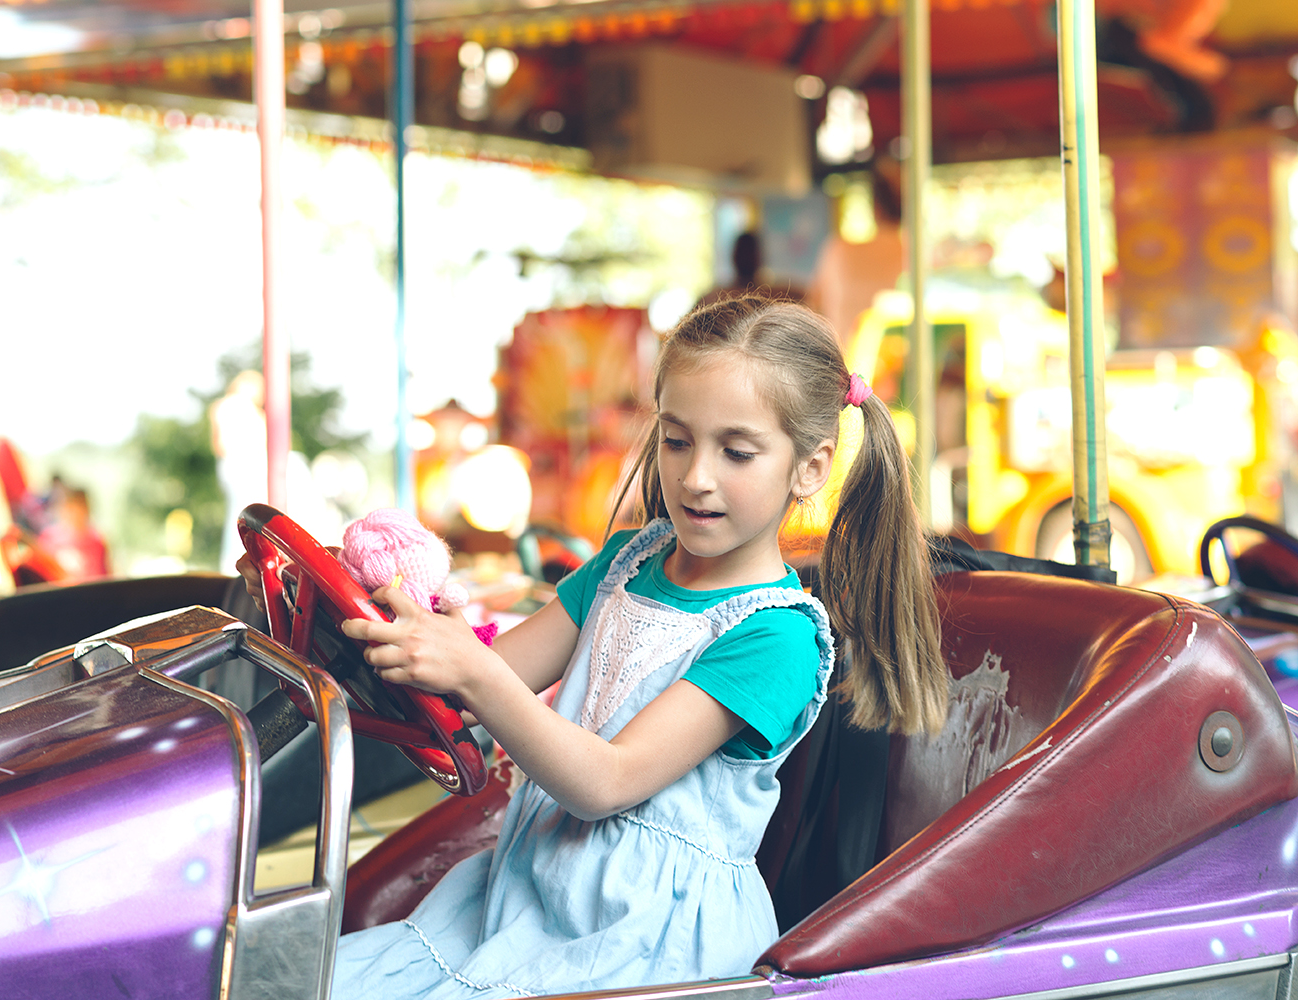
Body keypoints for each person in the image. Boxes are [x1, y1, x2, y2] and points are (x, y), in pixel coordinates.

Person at [247, 298, 948, 997]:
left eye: (735, 451)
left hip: (646, 941)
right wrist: (364, 617)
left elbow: (605, 782)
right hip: (526, 900)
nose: (696, 476)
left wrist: (474, 672)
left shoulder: (775, 636)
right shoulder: (624, 564)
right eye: (677, 440)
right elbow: (480, 683)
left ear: (810, 467)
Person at [210, 370, 269, 572]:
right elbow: (221, 444)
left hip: (247, 467)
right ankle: (236, 563)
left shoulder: (250, 411)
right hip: (240, 467)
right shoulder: (231, 406)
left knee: (247, 516)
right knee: (243, 516)